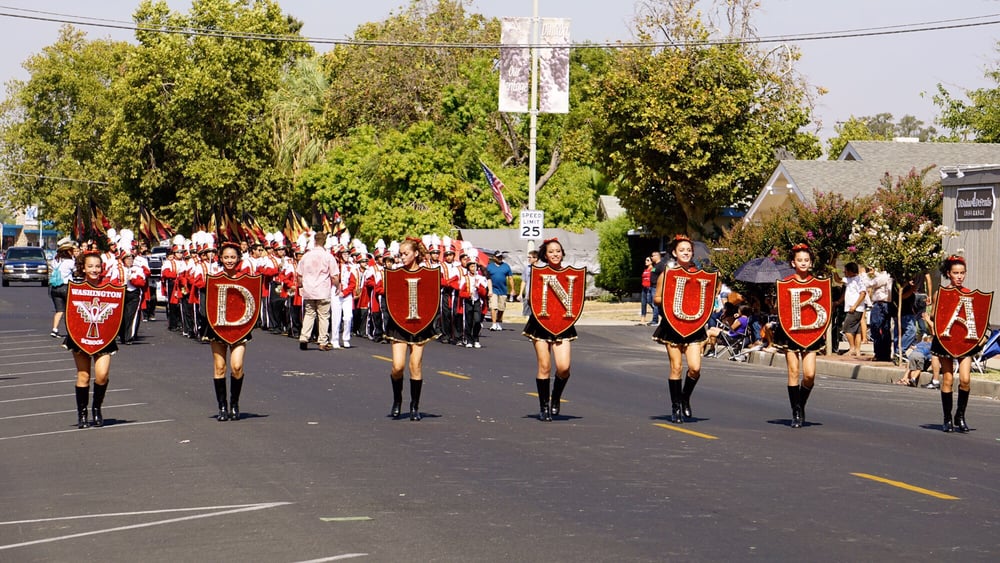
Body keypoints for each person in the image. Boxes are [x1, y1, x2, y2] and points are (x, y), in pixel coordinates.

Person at [652, 235, 710, 423]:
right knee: (676, 367)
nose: (686, 252)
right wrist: (672, 299)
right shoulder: (666, 273)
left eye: (688, 250)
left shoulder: (698, 273)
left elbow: (708, 295)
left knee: (695, 368)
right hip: (672, 325)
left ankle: (685, 398)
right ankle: (675, 406)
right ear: (675, 253)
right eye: (682, 250)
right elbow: (657, 298)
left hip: (694, 326)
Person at [522, 238, 579, 421]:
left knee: (564, 368)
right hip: (541, 322)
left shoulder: (570, 274)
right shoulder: (539, 272)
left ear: (562, 253)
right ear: (545, 255)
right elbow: (532, 297)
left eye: (558, 251)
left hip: (563, 324)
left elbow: (575, 299)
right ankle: (543, 406)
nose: (555, 254)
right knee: (544, 366)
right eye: (551, 251)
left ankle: (556, 397)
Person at [775, 243, 829, 429]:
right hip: (790, 331)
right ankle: (796, 411)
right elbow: (781, 308)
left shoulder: (818, 283)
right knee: (793, 371)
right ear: (793, 262)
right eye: (800, 260)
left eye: (806, 260)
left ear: (811, 263)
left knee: (810, 374)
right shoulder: (786, 283)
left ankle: (800, 403)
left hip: (811, 332)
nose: (803, 263)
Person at [64, 251, 119, 429]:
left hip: (104, 337)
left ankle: (97, 408)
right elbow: (72, 314)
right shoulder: (75, 288)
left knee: (102, 375)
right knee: (84, 375)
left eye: (97, 266)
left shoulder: (110, 288)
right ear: (83, 268)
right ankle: (82, 414)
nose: (94, 270)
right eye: (90, 266)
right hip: (80, 336)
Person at [385, 238, 438, 421]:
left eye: (405, 254)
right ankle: (397, 399)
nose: (402, 257)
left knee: (415, 365)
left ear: (415, 254)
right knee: (397, 366)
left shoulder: (427, 273)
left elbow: (434, 294)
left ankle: (415, 405)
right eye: (400, 254)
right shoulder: (395, 273)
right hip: (399, 323)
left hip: (419, 324)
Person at [930, 255, 984, 433]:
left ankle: (960, 416)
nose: (959, 276)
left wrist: (982, 335)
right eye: (955, 273)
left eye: (962, 273)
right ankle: (947, 418)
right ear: (949, 274)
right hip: (945, 340)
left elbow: (978, 318)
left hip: (965, 342)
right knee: (947, 378)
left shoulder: (970, 294)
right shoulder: (941, 293)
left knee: (965, 379)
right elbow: (934, 317)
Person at [206, 242, 254, 421]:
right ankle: (222, 406)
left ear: (238, 258)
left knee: (237, 366)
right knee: (220, 367)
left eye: (233, 257)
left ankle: (235, 402)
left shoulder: (246, 278)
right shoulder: (214, 277)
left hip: (240, 327)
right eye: (226, 257)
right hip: (218, 326)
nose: (229, 260)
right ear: (221, 258)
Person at [296, 232, 338, 351]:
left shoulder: (306, 256)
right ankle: (322, 341)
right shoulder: (328, 256)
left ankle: (304, 337)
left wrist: (300, 286)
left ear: (314, 241)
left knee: (309, 314)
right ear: (324, 242)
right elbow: (334, 276)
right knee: (323, 316)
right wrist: (338, 286)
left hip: (309, 289)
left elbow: (299, 274)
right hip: (323, 290)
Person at [48, 241, 77, 337]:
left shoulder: (55, 260)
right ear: (68, 251)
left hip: (55, 287)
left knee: (59, 310)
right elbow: (75, 271)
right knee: (69, 310)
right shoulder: (70, 262)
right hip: (66, 286)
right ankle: (70, 330)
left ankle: (54, 329)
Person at [840, 262, 868, 357]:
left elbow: (863, 293)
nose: (845, 272)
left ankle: (852, 348)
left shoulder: (859, 280)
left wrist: (855, 306)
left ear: (851, 271)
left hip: (855, 309)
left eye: (846, 270)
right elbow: (838, 279)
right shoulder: (849, 279)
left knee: (847, 328)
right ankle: (857, 350)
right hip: (852, 308)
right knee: (857, 330)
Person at [867, 268, 895, 362]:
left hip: (880, 304)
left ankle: (879, 353)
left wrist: (864, 275)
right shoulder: (888, 276)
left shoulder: (884, 276)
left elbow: (870, 283)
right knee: (885, 329)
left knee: (875, 328)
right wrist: (874, 272)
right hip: (886, 304)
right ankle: (885, 354)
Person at [486, 250, 513, 331]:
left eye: (501, 257)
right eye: (498, 257)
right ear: (494, 258)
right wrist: (488, 289)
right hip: (493, 290)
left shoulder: (506, 266)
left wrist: (512, 289)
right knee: (493, 307)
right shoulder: (489, 266)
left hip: (503, 290)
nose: (500, 258)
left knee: (501, 308)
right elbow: (486, 278)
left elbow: (510, 278)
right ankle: (494, 324)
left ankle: (498, 322)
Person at [518, 249, 538, 316]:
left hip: (537, 297)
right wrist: (520, 293)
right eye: (528, 257)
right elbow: (524, 281)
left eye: (530, 257)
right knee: (527, 315)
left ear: (536, 258)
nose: (528, 259)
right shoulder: (527, 268)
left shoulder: (541, 268)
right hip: (528, 296)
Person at [648, 251, 665, 326]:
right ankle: (661, 315)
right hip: (651, 286)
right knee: (649, 301)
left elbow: (664, 275)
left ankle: (655, 320)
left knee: (655, 304)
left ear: (657, 256)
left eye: (653, 256)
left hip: (656, 287)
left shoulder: (661, 265)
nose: (651, 257)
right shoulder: (655, 265)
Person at [640, 256, 653, 323]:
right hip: (644, 287)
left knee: (650, 301)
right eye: (645, 260)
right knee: (643, 303)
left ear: (651, 261)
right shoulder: (645, 269)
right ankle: (643, 317)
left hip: (649, 287)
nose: (646, 261)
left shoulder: (653, 269)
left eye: (648, 260)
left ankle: (657, 313)